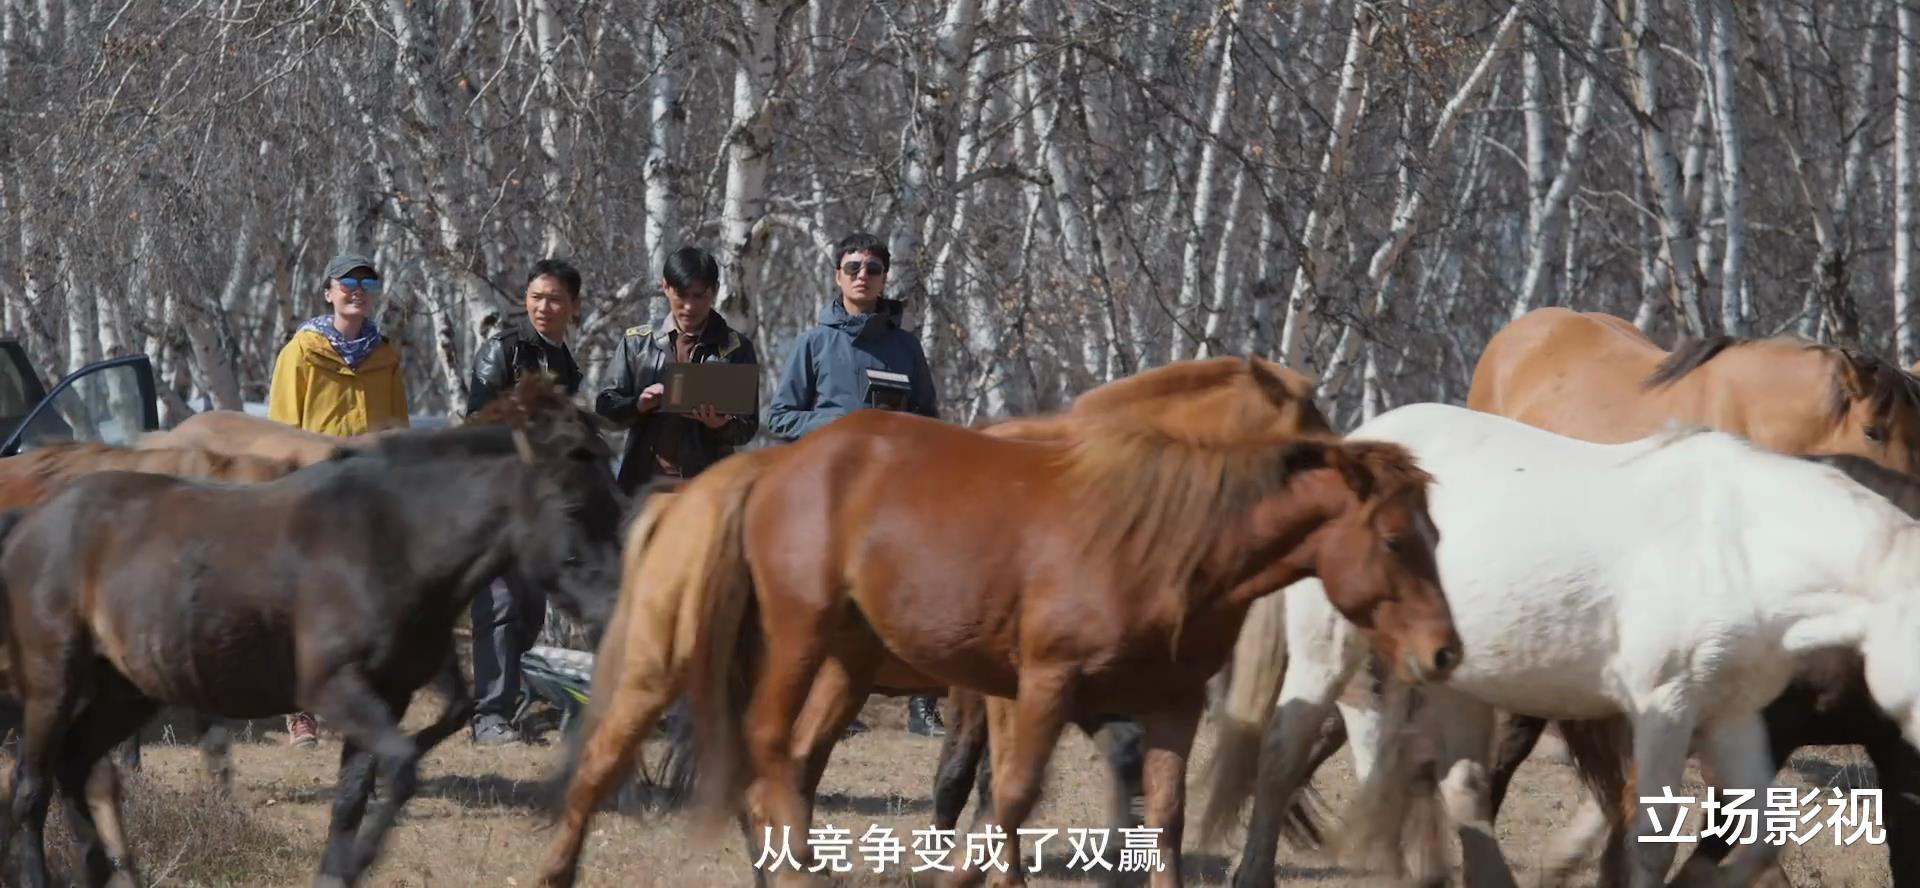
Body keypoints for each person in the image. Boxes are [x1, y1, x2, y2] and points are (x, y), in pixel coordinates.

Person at [764, 231, 945, 738]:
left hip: (898, 496)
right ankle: (830, 709)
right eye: (852, 267)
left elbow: (929, 418)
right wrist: (839, 425)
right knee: (825, 602)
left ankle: (924, 707)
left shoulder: (906, 347)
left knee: (922, 593)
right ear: (837, 276)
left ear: (885, 278)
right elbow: (778, 418)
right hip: (829, 496)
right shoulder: (814, 342)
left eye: (872, 268)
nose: (862, 275)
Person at [267, 250, 410, 749]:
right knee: (303, 604)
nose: (356, 290)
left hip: (367, 499)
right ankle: (299, 712)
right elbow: (282, 430)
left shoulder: (386, 355)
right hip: (313, 493)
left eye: (367, 284)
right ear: (328, 291)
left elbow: (396, 433)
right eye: (346, 283)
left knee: (362, 606)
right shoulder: (301, 352)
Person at [465, 258, 586, 746]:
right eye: (536, 296)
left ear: (573, 307)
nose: (542, 306)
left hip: (540, 505)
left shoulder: (567, 364)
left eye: (554, 298)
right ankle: (488, 715)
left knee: (531, 608)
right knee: (499, 603)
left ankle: (511, 703)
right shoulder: (505, 350)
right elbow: (477, 425)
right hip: (498, 498)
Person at [595, 246, 760, 495]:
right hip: (643, 484)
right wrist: (639, 405)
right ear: (665, 287)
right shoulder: (638, 343)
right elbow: (605, 410)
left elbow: (747, 428)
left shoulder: (736, 348)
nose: (689, 306)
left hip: (708, 488)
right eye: (681, 295)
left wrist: (719, 425)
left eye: (699, 296)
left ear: (714, 291)